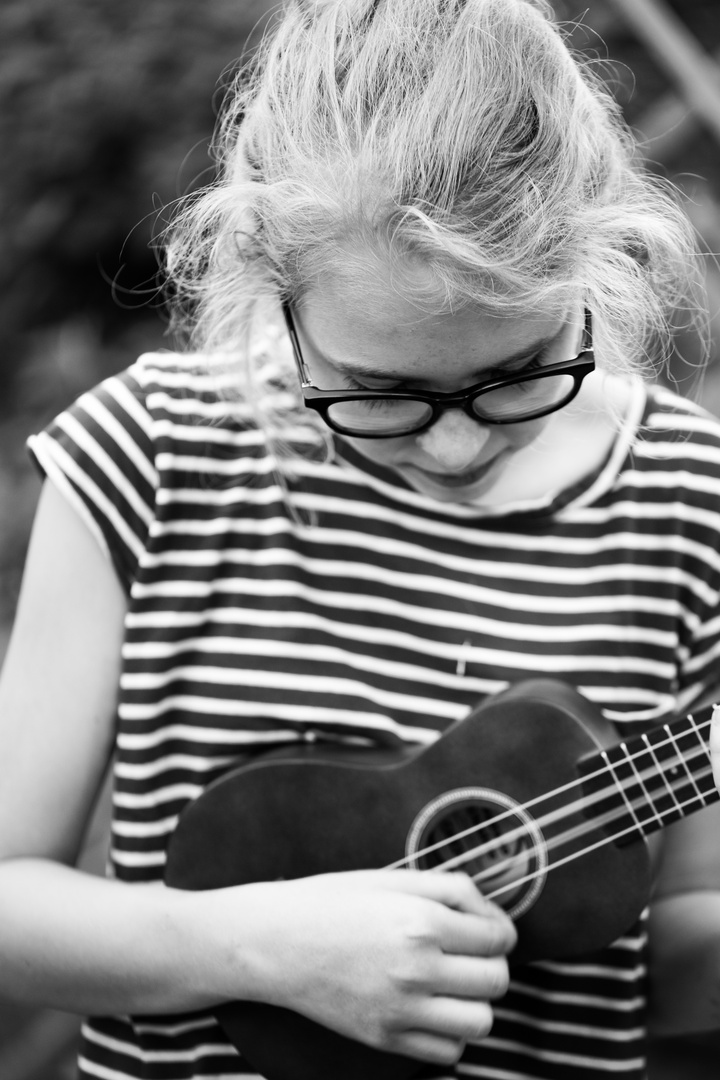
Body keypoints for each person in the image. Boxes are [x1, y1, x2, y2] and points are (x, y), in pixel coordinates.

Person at [2, 1, 720, 1078]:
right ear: (267, 282)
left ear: (598, 265)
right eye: (383, 392)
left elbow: (673, 969)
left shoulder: (690, 500)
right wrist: (261, 951)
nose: (456, 442)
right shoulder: (149, 458)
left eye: (519, 371)